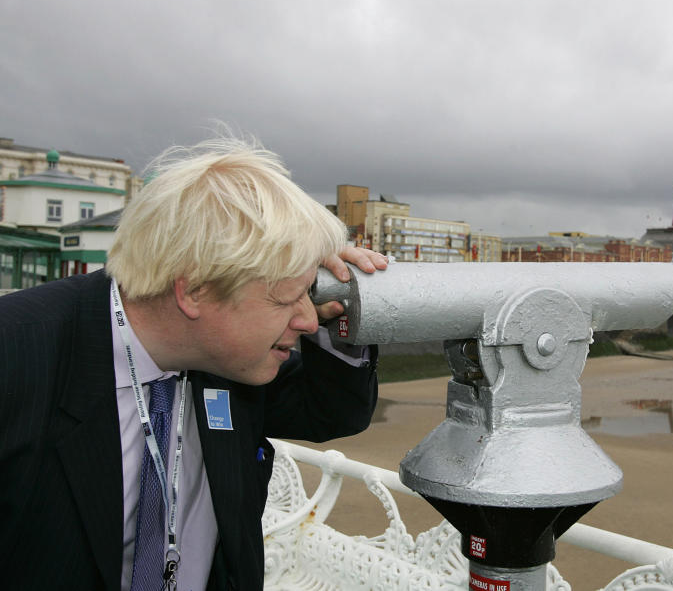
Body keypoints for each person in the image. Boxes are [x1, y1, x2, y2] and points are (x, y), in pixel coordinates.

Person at [0, 134, 389, 591]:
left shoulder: (229, 359)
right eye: (288, 298)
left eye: (309, 293)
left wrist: (342, 310)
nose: (307, 320)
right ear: (195, 290)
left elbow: (332, 411)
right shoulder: (16, 359)